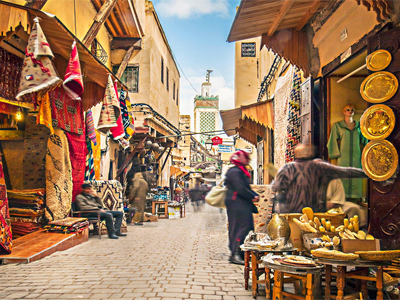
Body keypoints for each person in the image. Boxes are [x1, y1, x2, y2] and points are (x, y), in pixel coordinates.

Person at [273, 143, 367, 214]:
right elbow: (345, 172)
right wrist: (367, 173)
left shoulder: (286, 168)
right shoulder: (319, 166)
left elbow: (275, 188)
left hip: (290, 212)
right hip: (314, 213)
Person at [225, 150, 259, 265]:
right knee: (241, 226)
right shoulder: (235, 171)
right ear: (239, 158)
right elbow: (240, 187)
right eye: (245, 157)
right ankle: (235, 253)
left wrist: (253, 195)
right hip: (237, 203)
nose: (248, 159)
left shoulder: (240, 170)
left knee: (246, 226)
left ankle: (240, 252)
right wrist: (252, 195)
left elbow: (244, 187)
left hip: (241, 203)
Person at [327, 104, 368, 199]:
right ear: (343, 112)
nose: (350, 111)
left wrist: (366, 155)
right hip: (343, 156)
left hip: (356, 156)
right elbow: (332, 140)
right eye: (347, 110)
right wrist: (334, 154)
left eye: (352, 110)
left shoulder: (359, 126)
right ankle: (342, 196)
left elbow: (365, 141)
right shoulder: (338, 126)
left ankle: (356, 196)